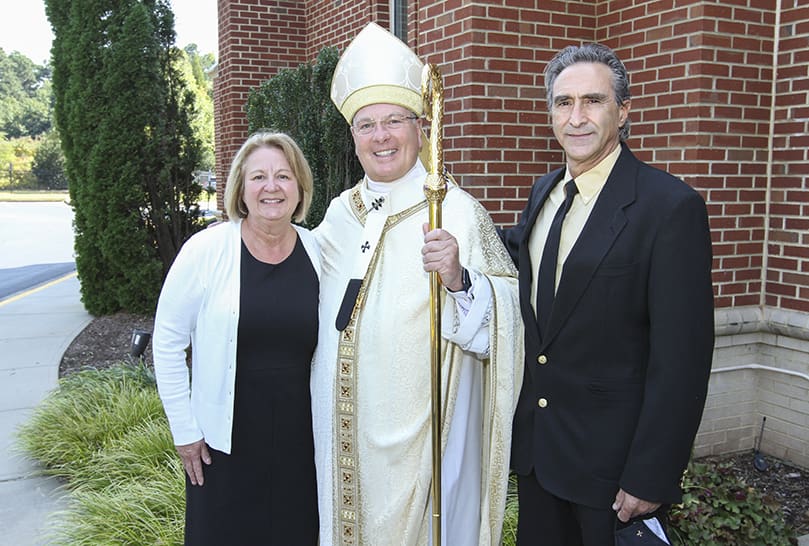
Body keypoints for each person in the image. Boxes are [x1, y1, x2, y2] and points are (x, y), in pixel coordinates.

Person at [311, 22, 524, 546]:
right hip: (341, 431)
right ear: (353, 138)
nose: (380, 137)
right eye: (366, 125)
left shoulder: (456, 211)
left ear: (422, 127)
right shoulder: (340, 214)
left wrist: (458, 278)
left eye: (393, 122)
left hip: (426, 436)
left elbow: (506, 321)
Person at [500, 43, 715, 545]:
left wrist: (651, 473)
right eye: (563, 102)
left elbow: (682, 357)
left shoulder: (669, 208)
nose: (576, 117)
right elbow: (522, 269)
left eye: (593, 101)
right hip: (539, 458)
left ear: (623, 111)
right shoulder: (544, 192)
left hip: (612, 475)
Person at [152, 131, 321, 545]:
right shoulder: (206, 250)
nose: (271, 187)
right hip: (222, 448)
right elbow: (168, 341)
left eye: (283, 176)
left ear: (299, 188)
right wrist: (185, 431)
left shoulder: (318, 250)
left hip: (302, 448)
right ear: (240, 191)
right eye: (258, 177)